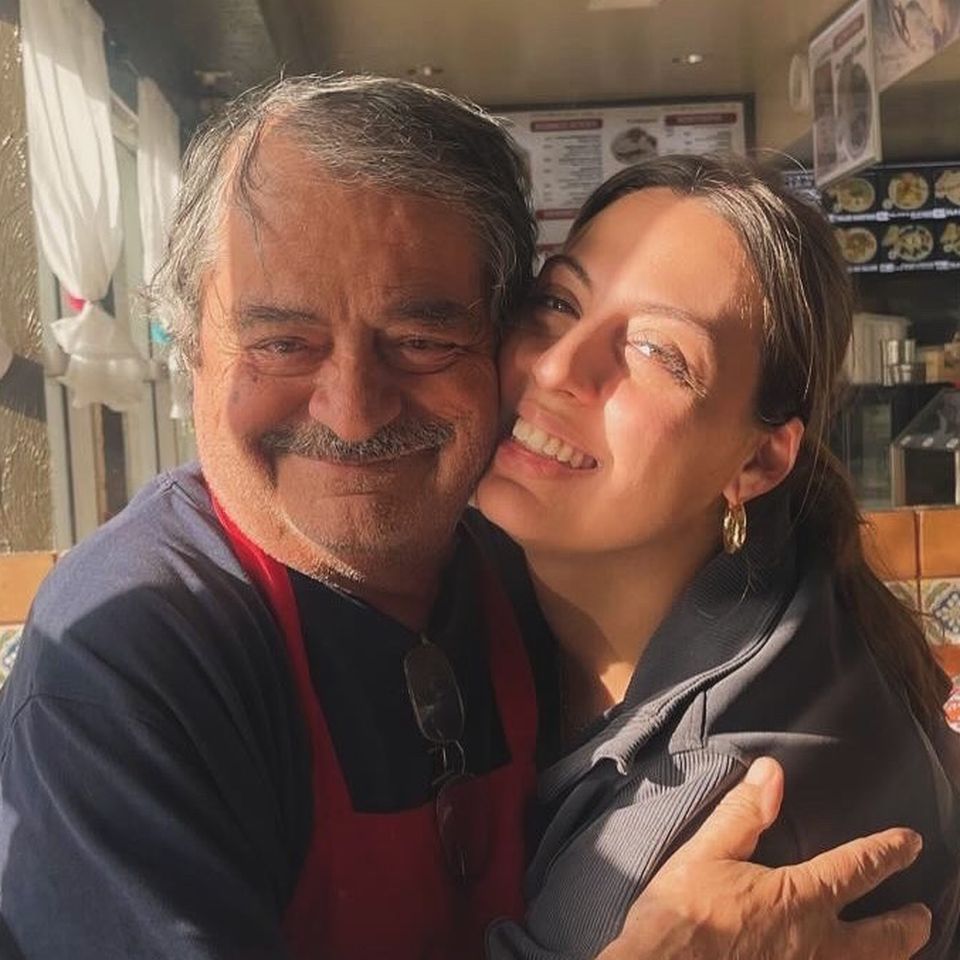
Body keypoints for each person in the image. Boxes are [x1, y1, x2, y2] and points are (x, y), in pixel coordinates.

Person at [0, 77, 933, 960]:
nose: (352, 412)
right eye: (283, 342)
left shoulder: (709, 768)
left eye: (421, 339)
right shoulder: (131, 660)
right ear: (190, 350)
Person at [475, 154, 960, 959]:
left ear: (758, 462)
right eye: (558, 302)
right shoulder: (780, 584)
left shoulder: (710, 829)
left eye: (657, 353)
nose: (558, 365)